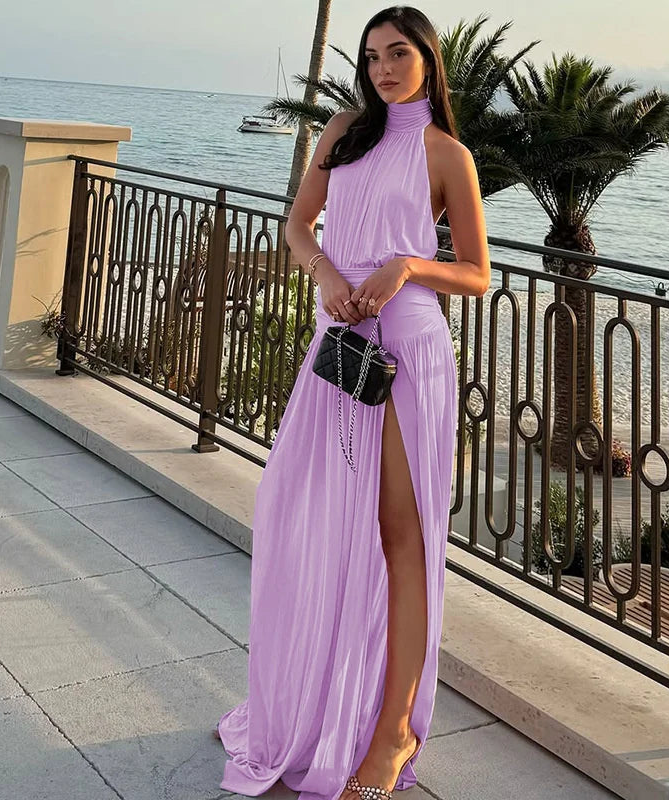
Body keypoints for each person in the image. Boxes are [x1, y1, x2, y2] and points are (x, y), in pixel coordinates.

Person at [215, 6, 490, 800]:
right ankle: (307, 708)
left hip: (410, 354)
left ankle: (393, 732)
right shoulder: (342, 131)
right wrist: (330, 277)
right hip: (339, 348)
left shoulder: (448, 155)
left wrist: (407, 265)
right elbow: (299, 227)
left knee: (398, 534)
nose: (382, 69)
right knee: (310, 516)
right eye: (372, 56)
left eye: (398, 53)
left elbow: (476, 272)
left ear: (429, 62)